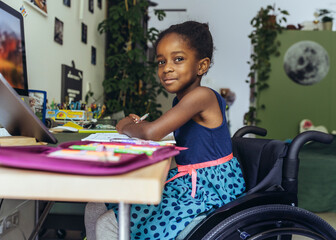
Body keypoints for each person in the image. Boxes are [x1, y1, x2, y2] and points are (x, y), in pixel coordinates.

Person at [84, 20, 246, 240]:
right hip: (190, 184)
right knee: (95, 206)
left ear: (202, 66)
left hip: (206, 192)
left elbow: (152, 133)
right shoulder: (181, 102)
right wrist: (138, 127)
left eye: (178, 59)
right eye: (160, 62)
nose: (166, 68)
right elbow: (153, 130)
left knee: (108, 224)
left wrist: (124, 125)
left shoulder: (202, 96)